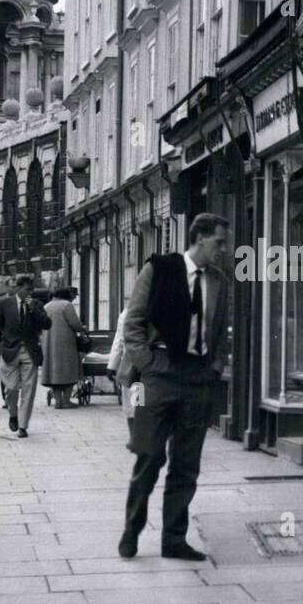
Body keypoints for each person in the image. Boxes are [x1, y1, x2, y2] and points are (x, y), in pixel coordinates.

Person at [117, 213, 231, 561]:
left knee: (186, 464)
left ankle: (174, 540)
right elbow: (133, 324)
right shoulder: (159, 269)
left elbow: (221, 330)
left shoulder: (219, 281)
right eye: (219, 242)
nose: (223, 250)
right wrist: (149, 365)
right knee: (149, 455)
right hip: (159, 375)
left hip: (197, 378)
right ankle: (132, 529)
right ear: (199, 238)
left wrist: (215, 366)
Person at [0, 276, 51, 438]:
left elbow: (47, 324)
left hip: (30, 351)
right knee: (11, 388)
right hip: (9, 351)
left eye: (32, 290)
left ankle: (23, 426)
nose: (30, 293)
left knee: (29, 390)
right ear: (18, 289)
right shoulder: (4, 304)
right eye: (27, 290)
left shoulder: (36, 304)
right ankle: (13, 413)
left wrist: (33, 308)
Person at [42, 287, 85, 408]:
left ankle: (58, 401)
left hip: (49, 343)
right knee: (69, 370)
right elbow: (75, 324)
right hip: (66, 343)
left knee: (54, 371)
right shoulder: (66, 305)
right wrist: (82, 328)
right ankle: (66, 400)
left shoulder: (46, 306)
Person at [107, 306, 134, 450]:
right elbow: (120, 340)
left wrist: (112, 365)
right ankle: (136, 437)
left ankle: (135, 437)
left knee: (134, 403)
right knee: (136, 402)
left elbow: (119, 340)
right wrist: (112, 364)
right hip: (137, 364)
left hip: (133, 363)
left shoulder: (128, 311)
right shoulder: (129, 312)